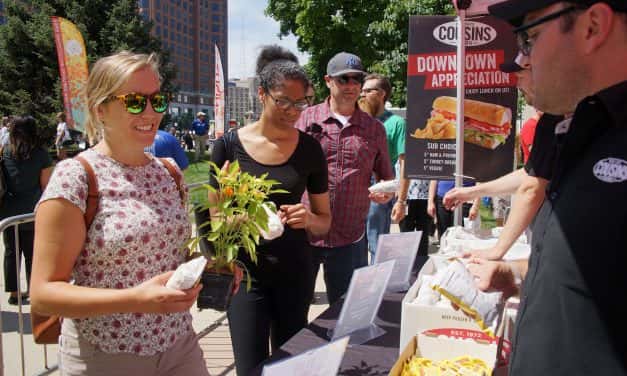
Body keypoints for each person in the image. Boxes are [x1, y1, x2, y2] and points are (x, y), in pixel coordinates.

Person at [468, 1, 627, 374]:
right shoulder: (577, 129)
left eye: (530, 38)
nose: (523, 60)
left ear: (592, 25)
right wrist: (517, 274)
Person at [30, 51, 210, 375]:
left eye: (158, 100)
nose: (151, 112)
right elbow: (43, 294)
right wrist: (134, 299)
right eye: (135, 101)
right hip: (105, 354)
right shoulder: (77, 177)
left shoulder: (169, 172)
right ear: (101, 109)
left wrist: (211, 271)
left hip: (178, 344)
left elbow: (168, 256)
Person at [209, 45, 331, 376]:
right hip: (245, 275)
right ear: (262, 94)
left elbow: (324, 221)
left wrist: (308, 218)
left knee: (290, 366)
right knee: (250, 367)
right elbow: (213, 220)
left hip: (295, 272)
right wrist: (247, 220)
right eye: (283, 101)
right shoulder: (229, 147)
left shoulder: (310, 150)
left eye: (300, 102)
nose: (293, 110)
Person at [295, 51, 394, 305]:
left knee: (344, 312)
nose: (351, 86)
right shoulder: (305, 120)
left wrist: (386, 193)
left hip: (349, 237)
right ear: (328, 80)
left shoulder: (374, 129)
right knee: (294, 309)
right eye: (343, 79)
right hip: (305, 233)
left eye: (356, 80)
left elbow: (386, 175)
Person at [443, 53, 564, 260]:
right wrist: (472, 192)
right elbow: (530, 175)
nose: (516, 84)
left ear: (538, 72)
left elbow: (531, 187)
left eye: (520, 76)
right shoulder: (551, 120)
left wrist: (498, 250)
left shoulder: (555, 120)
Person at [1, 116, 53, 305]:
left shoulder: (5, 152)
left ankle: (14, 293)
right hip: (33, 210)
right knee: (33, 253)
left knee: (11, 252)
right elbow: (46, 185)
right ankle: (33, 290)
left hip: (8, 210)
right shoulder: (41, 154)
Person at [361, 73, 407, 260]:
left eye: (367, 90)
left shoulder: (396, 123)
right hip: (353, 185)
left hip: (379, 185)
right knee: (351, 245)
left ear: (382, 94)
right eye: (361, 90)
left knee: (376, 244)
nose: (362, 94)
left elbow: (405, 163)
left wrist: (401, 201)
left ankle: (374, 287)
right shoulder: (358, 120)